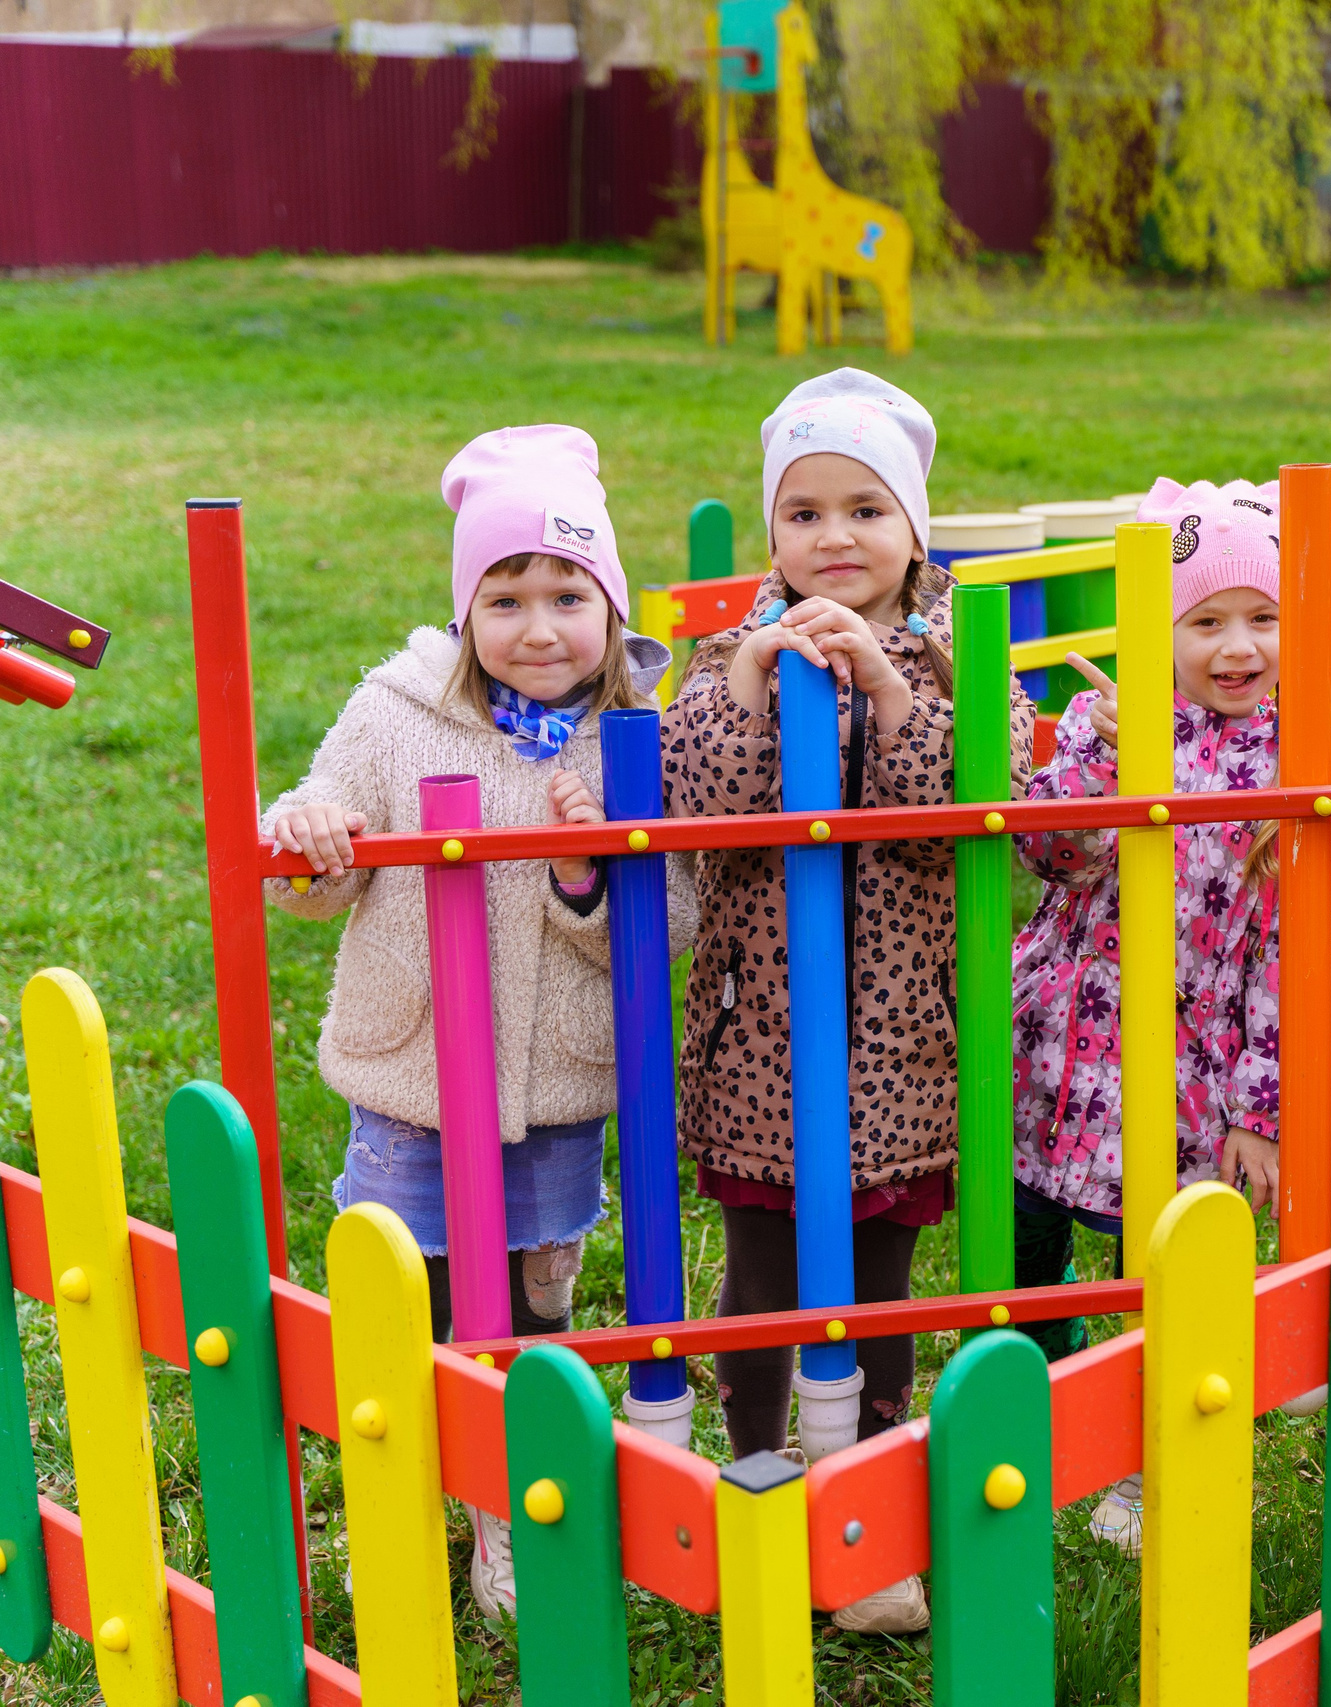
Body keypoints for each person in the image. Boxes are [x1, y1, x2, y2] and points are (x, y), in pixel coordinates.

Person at [265, 424, 697, 1621]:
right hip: (414, 1076)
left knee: (534, 1295)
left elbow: (673, 920)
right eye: (504, 599)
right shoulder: (395, 712)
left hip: (555, 1083)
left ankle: (519, 1496)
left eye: (568, 595)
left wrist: (587, 874)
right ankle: (426, 1486)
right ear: (465, 613)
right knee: (417, 1290)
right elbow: (316, 852)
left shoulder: (635, 736)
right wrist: (308, 834)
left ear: (611, 605)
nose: (539, 628)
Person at [663, 368, 1031, 1636]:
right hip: (759, 1041)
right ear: (773, 533)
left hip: (902, 1046)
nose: (835, 538)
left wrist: (884, 685)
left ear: (914, 531)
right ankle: (758, 1485)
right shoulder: (726, 659)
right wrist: (754, 681)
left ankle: (866, 1520)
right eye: (804, 512)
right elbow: (694, 801)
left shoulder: (958, 662)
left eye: (867, 510)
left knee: (882, 1279)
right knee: (761, 1275)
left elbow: (972, 810)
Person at [1009, 477, 1292, 1554]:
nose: (1238, 647)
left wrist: (1258, 1112)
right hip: (1059, 1052)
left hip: (1189, 1074)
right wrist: (1106, 759)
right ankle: (1035, 1420)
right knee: (1029, 1249)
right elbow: (1047, 852)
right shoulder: (1110, 724)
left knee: (1164, 1271)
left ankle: (1144, 1458)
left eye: (1262, 617)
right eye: (1206, 621)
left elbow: (1283, 956)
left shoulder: (1287, 759)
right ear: (1159, 632)